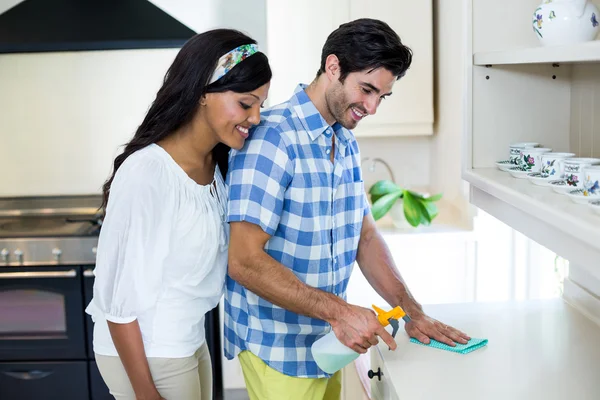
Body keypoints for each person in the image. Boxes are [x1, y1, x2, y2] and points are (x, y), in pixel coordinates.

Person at [224, 18, 470, 400]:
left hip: (328, 343)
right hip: (279, 349)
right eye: (367, 89)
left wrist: (412, 312)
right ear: (333, 67)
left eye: (382, 96)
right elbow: (242, 261)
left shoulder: (345, 142)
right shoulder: (273, 138)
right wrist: (341, 312)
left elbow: (365, 236)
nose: (372, 107)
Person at [85, 29, 271, 400]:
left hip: (186, 338)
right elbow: (117, 304)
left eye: (261, 104)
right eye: (246, 103)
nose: (255, 117)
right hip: (150, 349)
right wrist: (144, 392)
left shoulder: (215, 165)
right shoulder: (148, 173)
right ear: (204, 92)